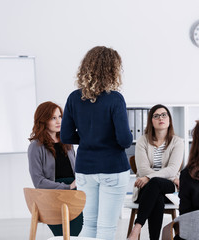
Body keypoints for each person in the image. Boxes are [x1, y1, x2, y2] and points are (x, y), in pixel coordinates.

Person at [60, 46, 133, 240]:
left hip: (85, 170)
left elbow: (66, 136)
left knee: (89, 224)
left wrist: (87, 138)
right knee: (106, 228)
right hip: (113, 168)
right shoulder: (115, 99)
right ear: (112, 70)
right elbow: (125, 140)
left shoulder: (74, 98)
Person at [127, 104, 184, 240]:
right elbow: (142, 168)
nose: (161, 118)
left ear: (169, 119)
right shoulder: (143, 141)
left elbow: (173, 169)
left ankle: (137, 227)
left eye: (164, 115)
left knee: (156, 183)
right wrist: (153, 177)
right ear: (151, 121)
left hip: (168, 190)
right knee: (156, 194)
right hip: (146, 189)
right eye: (156, 116)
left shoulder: (177, 142)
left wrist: (148, 177)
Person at [28, 101, 82, 236]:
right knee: (64, 234)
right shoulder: (36, 146)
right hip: (53, 195)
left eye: (60, 117)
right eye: (53, 118)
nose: (59, 121)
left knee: (77, 232)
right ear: (44, 120)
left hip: (75, 193)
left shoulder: (67, 142)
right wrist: (67, 187)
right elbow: (38, 181)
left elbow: (76, 169)